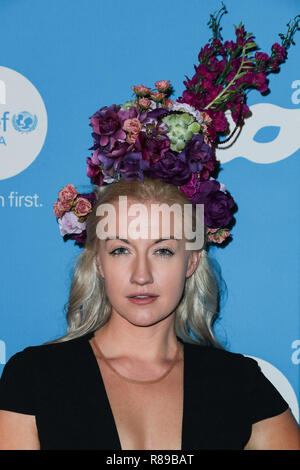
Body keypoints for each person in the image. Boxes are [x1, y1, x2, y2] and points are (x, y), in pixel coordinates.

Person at [1, 5, 300, 451]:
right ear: (97, 261)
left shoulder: (241, 385)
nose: (141, 275)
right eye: (121, 249)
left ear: (192, 259)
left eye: (162, 250)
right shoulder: (34, 377)